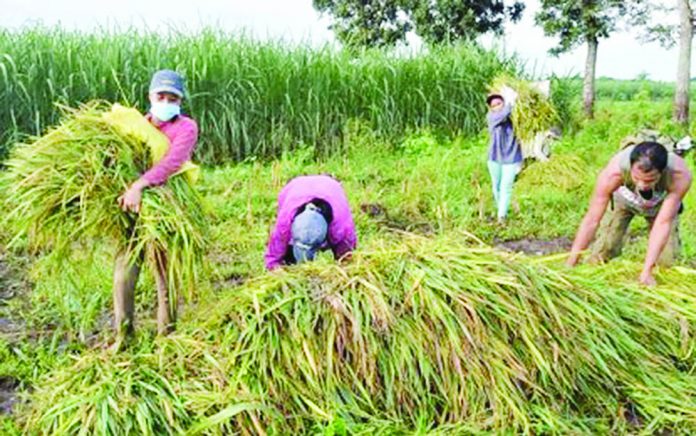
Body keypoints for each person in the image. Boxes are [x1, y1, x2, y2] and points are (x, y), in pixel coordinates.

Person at [114, 69, 199, 337]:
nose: (166, 102)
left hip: (167, 207)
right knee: (124, 273)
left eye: (172, 98)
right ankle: (123, 336)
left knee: (165, 277)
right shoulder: (135, 127)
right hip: (131, 209)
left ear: (180, 101)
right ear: (150, 96)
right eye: (160, 96)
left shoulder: (186, 127)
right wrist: (125, 190)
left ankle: (167, 338)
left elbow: (173, 162)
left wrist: (139, 185)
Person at [567, 141, 692, 286]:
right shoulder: (613, 173)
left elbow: (663, 223)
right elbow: (592, 219)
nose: (642, 185)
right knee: (604, 249)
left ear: (662, 172)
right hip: (624, 200)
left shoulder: (679, 176)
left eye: (649, 180)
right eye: (636, 178)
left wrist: (646, 271)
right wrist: (571, 261)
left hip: (660, 206)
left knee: (667, 261)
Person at [265, 175, 357, 270]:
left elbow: (346, 259)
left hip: (331, 188)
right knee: (287, 259)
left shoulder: (342, 228)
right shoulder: (285, 221)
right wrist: (278, 273)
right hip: (295, 188)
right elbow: (273, 258)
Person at [486, 86, 522, 223]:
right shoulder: (492, 117)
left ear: (503, 102)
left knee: (506, 186)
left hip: (511, 156)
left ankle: (502, 216)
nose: (496, 107)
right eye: (493, 105)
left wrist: (515, 102)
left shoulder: (513, 116)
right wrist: (510, 102)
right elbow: (503, 114)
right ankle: (501, 208)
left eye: (499, 103)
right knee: (496, 186)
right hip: (494, 157)